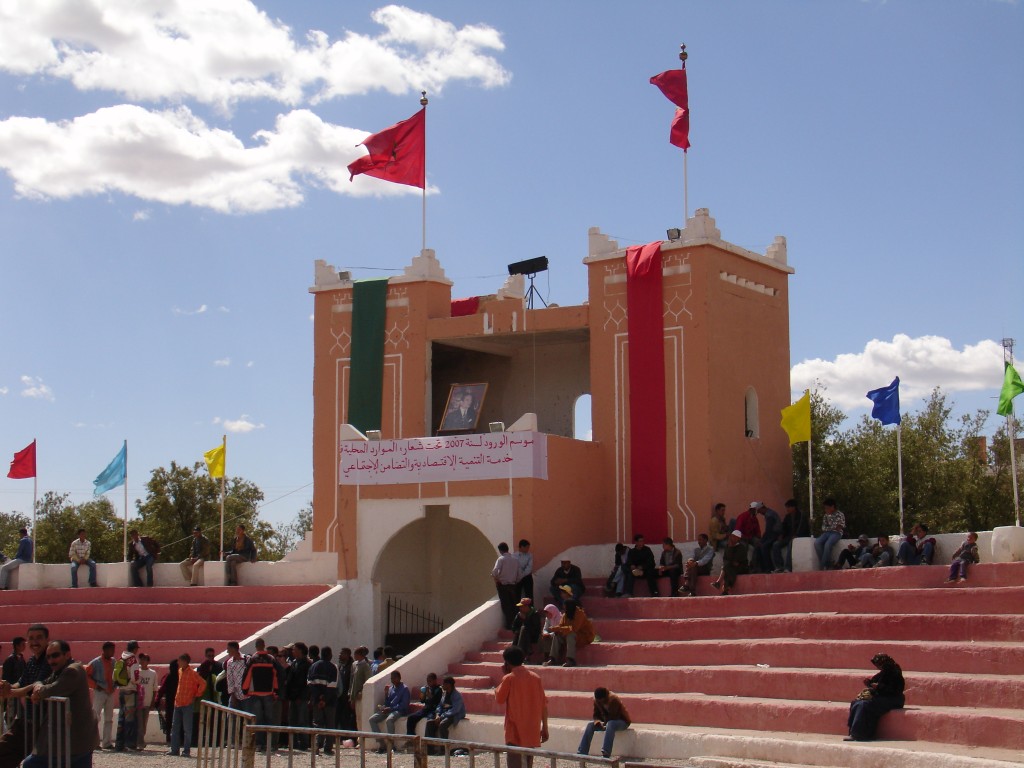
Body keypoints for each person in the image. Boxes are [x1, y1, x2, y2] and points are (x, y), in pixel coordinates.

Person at [21, 640, 98, 768]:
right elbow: (41, 685)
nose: (51, 660)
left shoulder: (73, 670)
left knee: (31, 764)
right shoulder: (60, 671)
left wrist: (39, 690)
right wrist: (12, 692)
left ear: (67, 655)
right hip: (78, 741)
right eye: (48, 657)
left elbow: (51, 689)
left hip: (76, 740)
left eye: (55, 655)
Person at [0, 624, 51, 767]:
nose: (35, 642)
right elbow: (21, 682)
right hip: (28, 719)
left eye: (39, 638)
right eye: (31, 638)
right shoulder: (31, 661)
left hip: (43, 723)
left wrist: (10, 692)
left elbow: (36, 685)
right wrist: (7, 686)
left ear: (47, 639)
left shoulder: (50, 659)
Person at [495, 646, 548, 768]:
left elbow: (499, 699)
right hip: (532, 731)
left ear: (507, 662)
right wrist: (545, 727)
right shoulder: (535, 677)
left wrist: (504, 676)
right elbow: (543, 705)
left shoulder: (509, 678)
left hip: (515, 732)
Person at [846, 652, 905, 741]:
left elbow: (894, 691)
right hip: (882, 697)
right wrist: (869, 683)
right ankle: (853, 731)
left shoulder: (895, 674)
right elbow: (874, 682)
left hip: (894, 699)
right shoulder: (883, 673)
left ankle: (859, 734)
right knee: (856, 702)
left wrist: (878, 687)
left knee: (864, 705)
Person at [241, 638, 284, 752]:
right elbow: (278, 674)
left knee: (258, 719)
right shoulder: (271, 659)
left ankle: (259, 744)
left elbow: (247, 675)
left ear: (256, 646)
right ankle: (269, 744)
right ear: (264, 645)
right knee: (269, 719)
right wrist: (276, 691)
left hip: (255, 693)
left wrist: (245, 690)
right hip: (269, 693)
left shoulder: (253, 659)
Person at [576, 687, 631, 759]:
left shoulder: (613, 699)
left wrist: (604, 724)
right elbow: (596, 715)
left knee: (610, 724)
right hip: (607, 722)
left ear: (605, 697)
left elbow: (614, 716)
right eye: (599, 701)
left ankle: (606, 752)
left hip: (621, 722)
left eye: (602, 701)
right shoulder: (597, 701)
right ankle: (582, 751)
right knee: (590, 725)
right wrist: (598, 722)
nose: (601, 702)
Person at [168, 653, 206, 757]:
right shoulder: (180, 671)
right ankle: (174, 749)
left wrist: (196, 695)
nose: (178, 663)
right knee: (175, 728)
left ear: (184, 661)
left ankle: (186, 750)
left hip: (187, 703)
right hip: (178, 702)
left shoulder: (193, 673)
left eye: (179, 660)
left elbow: (203, 683)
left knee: (187, 729)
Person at [544, 599, 594, 668]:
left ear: (570, 606)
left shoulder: (580, 614)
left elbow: (574, 629)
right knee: (557, 635)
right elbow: (561, 626)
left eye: (565, 606)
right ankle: (553, 658)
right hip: (571, 635)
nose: (564, 608)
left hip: (584, 636)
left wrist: (559, 628)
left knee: (571, 635)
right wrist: (555, 628)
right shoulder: (565, 615)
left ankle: (571, 660)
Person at [369, 670, 410, 753]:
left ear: (399, 678)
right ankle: (382, 744)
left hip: (399, 711)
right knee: (372, 719)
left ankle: (391, 745)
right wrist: (386, 695)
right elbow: (387, 703)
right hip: (389, 710)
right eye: (391, 678)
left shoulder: (404, 689)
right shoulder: (391, 688)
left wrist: (390, 709)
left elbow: (403, 705)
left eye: (394, 678)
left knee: (389, 720)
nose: (392, 680)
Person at [424, 676, 465, 754]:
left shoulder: (457, 695)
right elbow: (440, 706)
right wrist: (437, 715)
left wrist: (442, 716)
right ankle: (430, 750)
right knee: (429, 723)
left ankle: (444, 750)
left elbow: (455, 710)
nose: (442, 685)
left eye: (444, 684)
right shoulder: (444, 694)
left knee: (443, 725)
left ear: (449, 685)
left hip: (455, 715)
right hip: (444, 714)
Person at [308, 644, 338, 753]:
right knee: (330, 724)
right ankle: (328, 748)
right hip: (329, 702)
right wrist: (324, 699)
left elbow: (310, 684)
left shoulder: (313, 666)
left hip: (316, 701)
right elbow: (332, 686)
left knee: (317, 723)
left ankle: (316, 745)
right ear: (329, 655)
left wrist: (318, 697)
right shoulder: (332, 667)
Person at [112, 640, 141, 751]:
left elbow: (114, 676)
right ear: (134, 649)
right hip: (130, 690)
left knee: (121, 717)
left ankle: (119, 744)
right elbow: (135, 678)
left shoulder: (121, 658)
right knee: (130, 718)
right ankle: (130, 744)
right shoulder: (132, 660)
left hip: (122, 690)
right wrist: (138, 682)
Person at [87, 642, 117, 749]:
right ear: (104, 650)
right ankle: (93, 742)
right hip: (100, 691)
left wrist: (115, 685)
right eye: (111, 650)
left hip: (110, 692)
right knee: (96, 717)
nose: (113, 652)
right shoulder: (95, 662)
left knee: (109, 718)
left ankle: (107, 742)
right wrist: (95, 685)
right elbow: (86, 675)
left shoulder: (114, 661)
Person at [285, 642, 311, 749]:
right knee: (292, 721)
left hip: (302, 698)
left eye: (294, 649)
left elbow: (307, 683)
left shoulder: (307, 664)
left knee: (302, 721)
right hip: (293, 697)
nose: (292, 651)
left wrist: (302, 696)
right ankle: (293, 743)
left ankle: (304, 744)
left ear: (300, 650)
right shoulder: (294, 663)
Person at [492, 542, 521, 630]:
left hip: (503, 585)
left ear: (500, 550)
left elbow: (494, 571)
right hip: (513, 585)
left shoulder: (501, 559)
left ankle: (509, 625)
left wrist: (497, 579)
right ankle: (517, 624)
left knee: (506, 606)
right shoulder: (515, 560)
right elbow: (519, 574)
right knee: (514, 605)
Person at [710, 530, 748, 596]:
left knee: (727, 568)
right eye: (731, 536)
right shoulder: (728, 546)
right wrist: (730, 549)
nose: (731, 538)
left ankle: (719, 583)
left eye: (734, 537)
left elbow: (736, 560)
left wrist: (730, 549)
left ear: (738, 538)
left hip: (741, 567)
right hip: (730, 566)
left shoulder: (741, 548)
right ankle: (725, 589)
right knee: (727, 567)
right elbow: (725, 558)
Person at [405, 672, 442, 737]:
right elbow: (422, 701)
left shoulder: (439, 689)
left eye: (430, 681)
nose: (428, 683)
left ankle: (430, 741)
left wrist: (428, 693)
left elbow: (434, 701)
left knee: (430, 722)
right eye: (427, 681)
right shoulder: (427, 689)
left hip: (434, 710)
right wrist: (422, 694)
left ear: (435, 680)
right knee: (411, 718)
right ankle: (411, 737)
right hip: (426, 709)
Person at [813, 498, 845, 570]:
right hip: (826, 533)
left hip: (836, 533)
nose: (826, 510)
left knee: (828, 544)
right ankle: (827, 563)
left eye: (827, 508)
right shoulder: (826, 516)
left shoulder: (840, 514)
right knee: (817, 543)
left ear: (832, 507)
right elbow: (824, 527)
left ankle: (822, 566)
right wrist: (832, 527)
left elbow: (839, 527)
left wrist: (831, 527)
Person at [2, 636, 26, 730]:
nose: (24, 646)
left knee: (17, 712)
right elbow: (6, 676)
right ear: (17, 646)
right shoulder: (10, 660)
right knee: (13, 712)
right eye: (22, 644)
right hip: (11, 690)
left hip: (17, 690)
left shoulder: (21, 658)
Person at [348, 646, 371, 740]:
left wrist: (362, 692)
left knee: (361, 718)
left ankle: (362, 739)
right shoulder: (354, 665)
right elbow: (352, 680)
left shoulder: (365, 666)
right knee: (357, 718)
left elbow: (368, 680)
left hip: (361, 696)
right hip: (354, 695)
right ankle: (359, 737)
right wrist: (350, 693)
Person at [771, 500, 800, 573]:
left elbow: (803, 527)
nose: (787, 509)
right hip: (788, 536)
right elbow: (784, 527)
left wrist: (797, 535)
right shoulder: (787, 517)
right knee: (776, 544)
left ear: (794, 507)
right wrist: (781, 535)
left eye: (788, 507)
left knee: (791, 544)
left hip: (798, 537)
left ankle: (788, 567)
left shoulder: (801, 516)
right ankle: (779, 566)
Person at [136, 653, 158, 749]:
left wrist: (153, 701)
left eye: (145, 659)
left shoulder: (153, 673)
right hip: (138, 702)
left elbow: (154, 689)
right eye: (141, 659)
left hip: (147, 701)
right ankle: (140, 743)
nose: (142, 661)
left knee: (144, 723)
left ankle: (140, 740)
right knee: (140, 723)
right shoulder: (137, 672)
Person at [734, 504, 763, 571]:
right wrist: (743, 537)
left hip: (751, 537)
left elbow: (757, 531)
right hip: (742, 537)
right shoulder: (742, 516)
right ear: (752, 509)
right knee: (744, 546)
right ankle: (743, 566)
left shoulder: (754, 518)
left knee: (759, 544)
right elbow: (737, 530)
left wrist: (759, 537)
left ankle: (754, 564)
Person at [223, 641, 249, 712]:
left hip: (248, 696)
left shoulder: (247, 659)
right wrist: (233, 696)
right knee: (232, 719)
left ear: (233, 649)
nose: (227, 652)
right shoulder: (229, 662)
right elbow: (230, 680)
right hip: (236, 696)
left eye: (228, 649)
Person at [756, 504, 781, 573]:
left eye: (759, 511)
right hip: (773, 534)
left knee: (764, 547)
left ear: (762, 508)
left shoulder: (769, 515)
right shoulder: (769, 513)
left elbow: (769, 530)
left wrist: (762, 540)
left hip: (775, 534)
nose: (760, 513)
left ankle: (769, 568)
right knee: (759, 547)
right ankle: (761, 567)